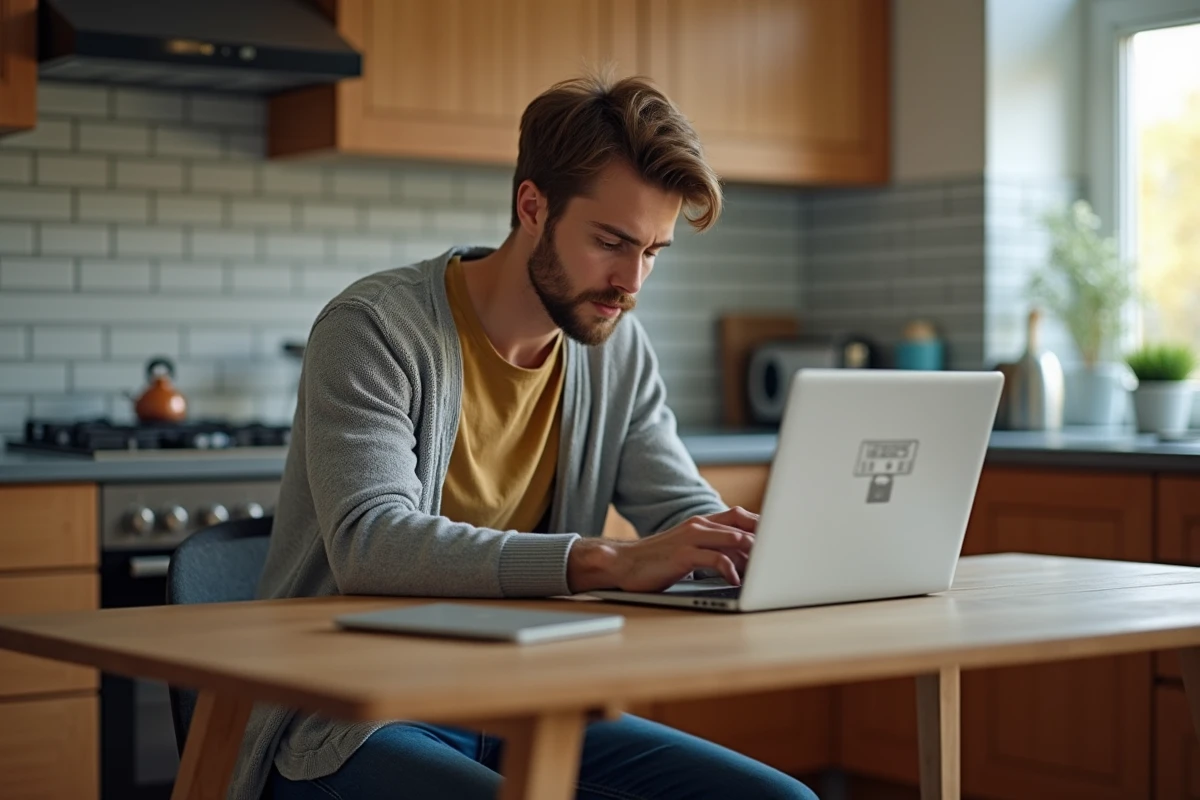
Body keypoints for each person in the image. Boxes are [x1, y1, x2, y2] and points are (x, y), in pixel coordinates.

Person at [227, 73, 819, 800]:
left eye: (654, 251)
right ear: (532, 206)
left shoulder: (617, 350)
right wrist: (607, 560)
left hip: (528, 706)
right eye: (611, 241)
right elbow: (371, 543)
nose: (631, 281)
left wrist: (752, 549)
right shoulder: (374, 329)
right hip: (353, 718)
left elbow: (679, 515)